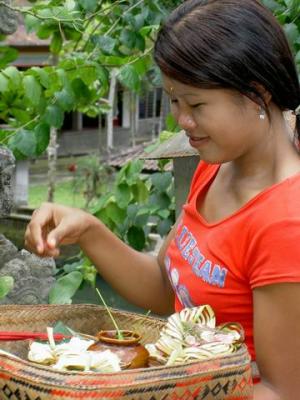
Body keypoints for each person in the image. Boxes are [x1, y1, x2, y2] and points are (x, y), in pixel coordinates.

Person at [25, 0, 300, 398]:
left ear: (257, 94)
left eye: (197, 105)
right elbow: (168, 288)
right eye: (175, 101)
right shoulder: (218, 165)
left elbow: (281, 391)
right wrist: (89, 231)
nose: (182, 121)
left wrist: (150, 388)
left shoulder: (284, 224)